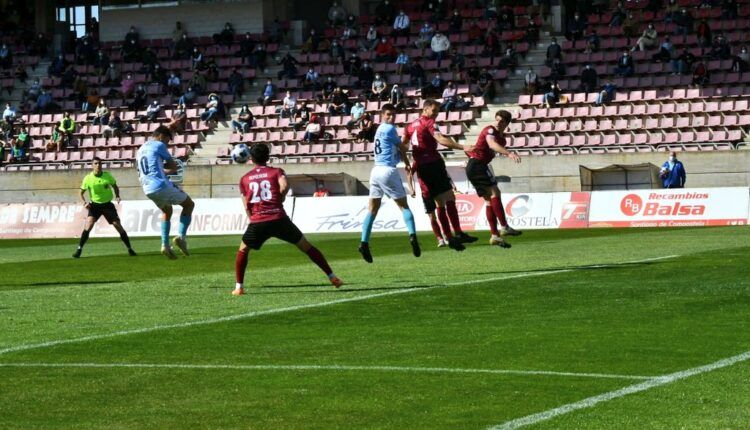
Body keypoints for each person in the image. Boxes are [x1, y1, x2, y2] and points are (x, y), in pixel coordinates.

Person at [233, 143, 343, 295]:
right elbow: (284, 186)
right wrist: (280, 199)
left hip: (258, 220)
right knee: (306, 247)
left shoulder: (244, 179)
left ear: (251, 158)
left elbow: (246, 205)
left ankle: (239, 287)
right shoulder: (276, 171)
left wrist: (253, 219)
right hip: (279, 218)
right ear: (268, 157)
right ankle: (332, 277)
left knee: (243, 250)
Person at [403, 99, 477, 251]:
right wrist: (462, 146)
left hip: (422, 167)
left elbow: (402, 146)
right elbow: (441, 139)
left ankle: (449, 238)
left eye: (438, 111)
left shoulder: (410, 126)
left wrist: (406, 161)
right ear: (426, 109)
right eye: (434, 111)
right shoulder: (429, 122)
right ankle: (457, 232)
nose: (436, 114)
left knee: (439, 203)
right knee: (450, 197)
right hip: (433, 164)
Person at [358, 104, 420, 263]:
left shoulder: (380, 129)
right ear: (382, 115)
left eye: (393, 115)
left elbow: (396, 151)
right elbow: (402, 147)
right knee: (404, 206)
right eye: (388, 115)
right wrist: (410, 141)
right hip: (387, 171)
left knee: (372, 210)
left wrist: (404, 158)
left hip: (376, 171)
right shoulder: (390, 129)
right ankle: (413, 236)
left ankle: (364, 243)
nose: (391, 117)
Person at [136, 126, 195, 259]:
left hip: (147, 188)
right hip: (160, 185)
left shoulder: (141, 149)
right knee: (189, 204)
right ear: (161, 136)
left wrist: (161, 171)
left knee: (166, 211)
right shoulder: (158, 145)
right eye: (168, 140)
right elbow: (173, 166)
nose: (167, 144)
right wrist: (167, 170)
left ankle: (165, 245)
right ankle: (181, 237)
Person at [464, 110, 522, 248]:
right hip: (477, 165)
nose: (497, 123)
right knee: (495, 193)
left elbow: (491, 146)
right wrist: (509, 153)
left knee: (489, 201)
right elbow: (491, 144)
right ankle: (504, 226)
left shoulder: (503, 138)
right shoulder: (489, 130)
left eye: (501, 121)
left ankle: (495, 236)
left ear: (507, 123)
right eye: (496, 119)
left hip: (477, 166)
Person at [73, 157, 136, 258]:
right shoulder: (88, 178)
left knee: (117, 225)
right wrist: (84, 203)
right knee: (88, 225)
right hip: (95, 205)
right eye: (96, 163)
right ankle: (79, 249)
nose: (98, 165)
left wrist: (118, 196)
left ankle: (129, 248)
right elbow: (80, 192)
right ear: (92, 165)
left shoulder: (107, 176)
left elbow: (115, 186)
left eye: (100, 163)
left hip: (107, 205)